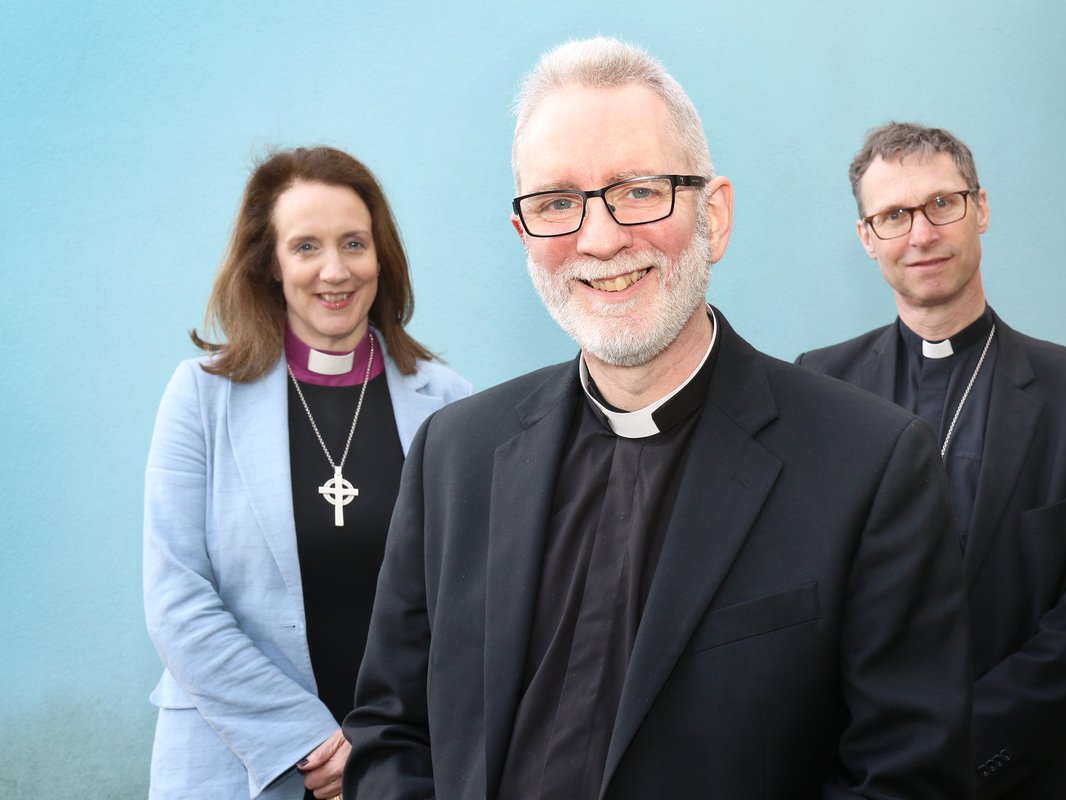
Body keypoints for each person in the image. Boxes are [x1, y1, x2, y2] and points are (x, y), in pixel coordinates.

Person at [343, 39, 973, 799]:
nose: (599, 238)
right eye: (556, 203)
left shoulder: (870, 465)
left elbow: (905, 779)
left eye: (639, 190)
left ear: (715, 214)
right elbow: (390, 733)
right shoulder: (455, 453)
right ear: (524, 237)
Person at [797, 122, 1066, 799]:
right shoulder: (819, 388)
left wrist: (959, 753)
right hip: (865, 769)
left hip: (1036, 767)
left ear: (980, 209)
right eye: (893, 215)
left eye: (942, 203)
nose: (922, 234)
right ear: (867, 238)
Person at [143, 146, 471, 800]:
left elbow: (471, 604)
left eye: (354, 243)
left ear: (382, 257)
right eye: (305, 247)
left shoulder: (454, 405)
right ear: (268, 263)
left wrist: (376, 743)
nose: (335, 270)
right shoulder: (201, 399)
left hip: (403, 769)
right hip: (234, 764)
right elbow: (176, 600)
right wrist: (310, 742)